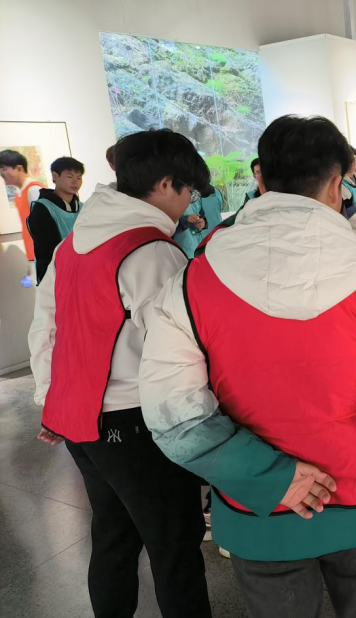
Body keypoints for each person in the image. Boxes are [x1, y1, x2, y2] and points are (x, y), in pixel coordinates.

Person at [139, 114, 356, 618]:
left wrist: (272, 477)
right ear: (337, 185)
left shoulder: (191, 283)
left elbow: (174, 419)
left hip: (256, 511)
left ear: (262, 179)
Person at [28, 129, 212, 618]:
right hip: (136, 423)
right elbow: (177, 350)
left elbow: (45, 328)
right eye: (189, 190)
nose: (188, 202)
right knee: (175, 545)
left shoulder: (73, 245)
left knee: (113, 536)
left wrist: (52, 400)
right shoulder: (152, 251)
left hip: (82, 422)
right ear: (166, 183)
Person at [28, 157, 85, 283]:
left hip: (82, 272)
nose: (75, 182)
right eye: (69, 176)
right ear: (55, 176)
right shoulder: (42, 208)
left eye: (79, 177)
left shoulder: (83, 207)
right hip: (55, 276)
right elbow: (47, 252)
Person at [0, 149, 45, 261]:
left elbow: (45, 228)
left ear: (19, 168)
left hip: (43, 256)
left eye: (4, 168)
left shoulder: (34, 190)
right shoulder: (19, 194)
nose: (1, 173)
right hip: (33, 254)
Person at [173, 184, 225, 258]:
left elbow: (201, 215)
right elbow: (168, 222)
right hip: (180, 249)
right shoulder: (172, 197)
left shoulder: (197, 196)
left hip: (196, 247)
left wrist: (202, 223)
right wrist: (185, 220)